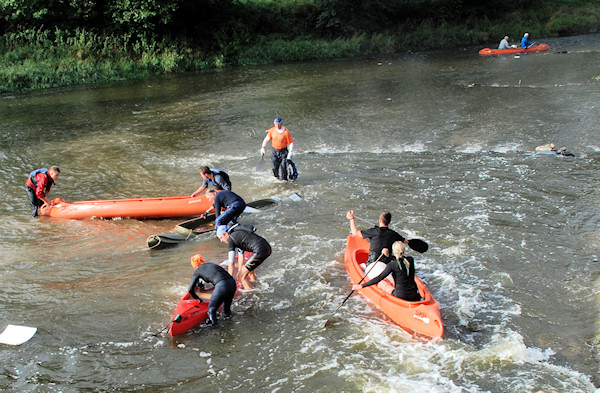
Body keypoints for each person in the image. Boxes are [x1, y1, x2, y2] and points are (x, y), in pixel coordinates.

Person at [352, 241, 421, 301]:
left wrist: (362, 286)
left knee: (382, 283)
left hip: (401, 295)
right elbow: (400, 260)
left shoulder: (392, 264)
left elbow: (379, 278)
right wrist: (388, 256)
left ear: (393, 252)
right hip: (414, 294)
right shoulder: (410, 260)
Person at [217, 224, 271, 290]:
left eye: (221, 237)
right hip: (266, 247)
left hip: (260, 250)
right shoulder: (237, 234)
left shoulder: (231, 239)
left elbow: (231, 263)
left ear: (225, 234)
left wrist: (229, 281)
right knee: (249, 271)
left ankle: (251, 295)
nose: (221, 241)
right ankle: (255, 285)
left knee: (241, 276)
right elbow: (241, 256)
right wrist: (240, 270)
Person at [187, 254, 237, 326]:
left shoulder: (197, 271)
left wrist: (197, 298)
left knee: (211, 311)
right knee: (226, 310)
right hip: (232, 283)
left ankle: (215, 329)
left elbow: (190, 289)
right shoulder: (211, 264)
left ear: (194, 265)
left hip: (222, 286)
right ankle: (230, 324)